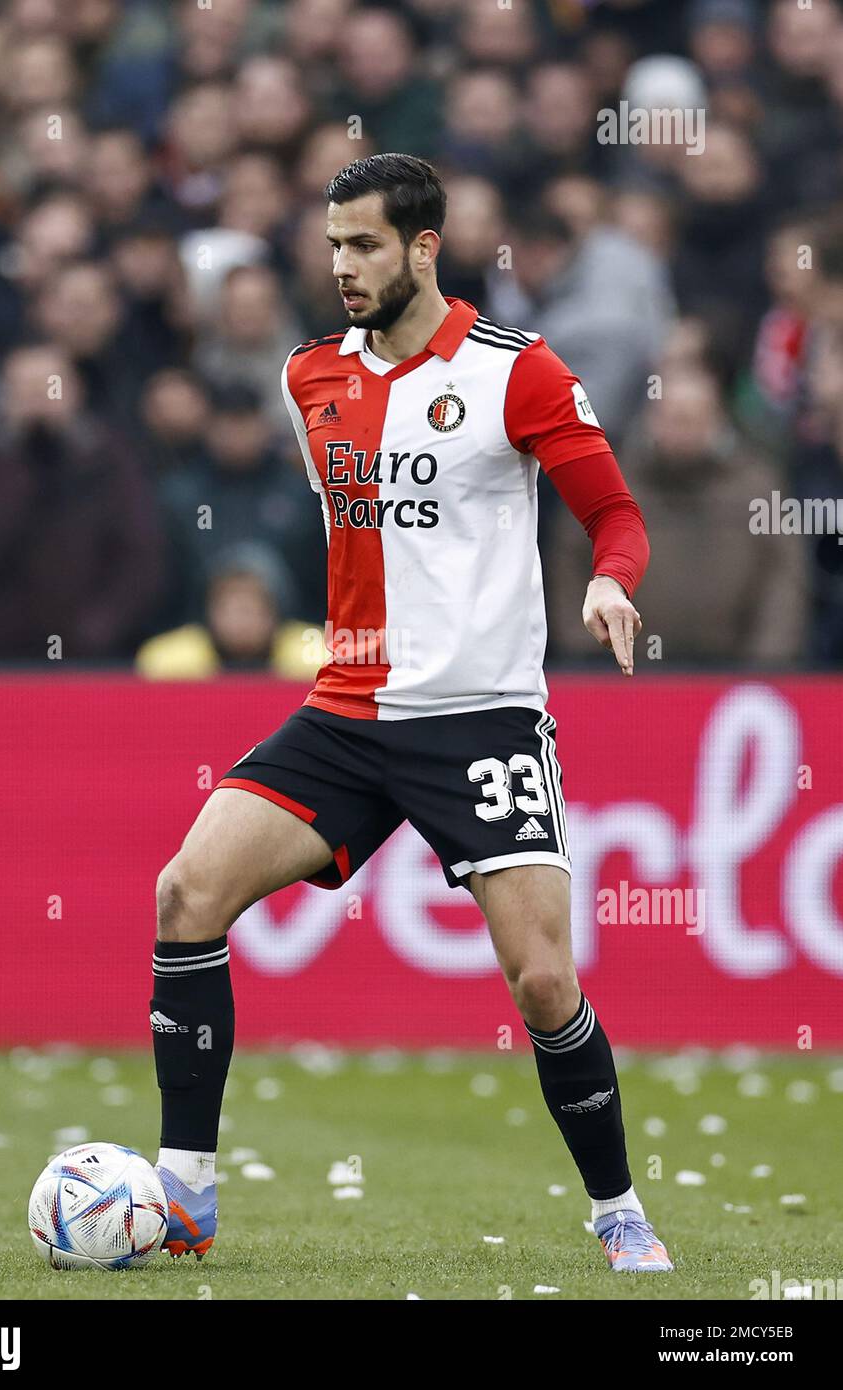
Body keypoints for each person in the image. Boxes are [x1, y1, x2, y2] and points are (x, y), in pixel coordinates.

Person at [147, 153, 672, 1274]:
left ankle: (617, 1206)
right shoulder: (306, 378)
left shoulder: (515, 371)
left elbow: (611, 511)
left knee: (540, 980)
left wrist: (607, 579)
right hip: (344, 711)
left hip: (479, 717)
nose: (342, 267)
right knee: (185, 894)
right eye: (333, 245)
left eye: (365, 245)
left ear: (423, 248)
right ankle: (184, 1191)